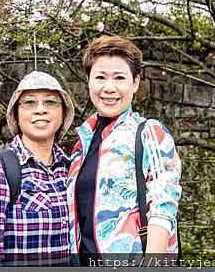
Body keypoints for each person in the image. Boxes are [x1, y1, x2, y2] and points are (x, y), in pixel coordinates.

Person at [67, 35, 182, 266]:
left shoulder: (149, 133)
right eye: (100, 77)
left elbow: (163, 209)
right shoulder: (80, 147)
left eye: (119, 78)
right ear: (88, 81)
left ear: (135, 83)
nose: (109, 88)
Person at [0, 71, 74, 266]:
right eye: (29, 103)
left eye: (50, 102)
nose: (41, 109)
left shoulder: (71, 168)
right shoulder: (1, 167)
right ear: (16, 114)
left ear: (63, 112)